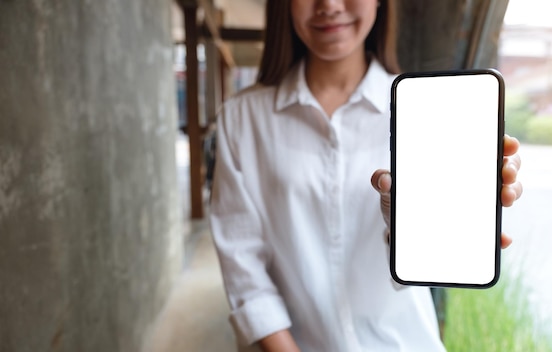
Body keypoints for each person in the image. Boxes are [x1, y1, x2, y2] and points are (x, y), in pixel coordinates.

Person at [208, 0, 523, 351]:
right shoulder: (242, 118)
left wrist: (425, 229)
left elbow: (412, 271)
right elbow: (242, 262)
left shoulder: (424, 113)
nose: (329, 5)